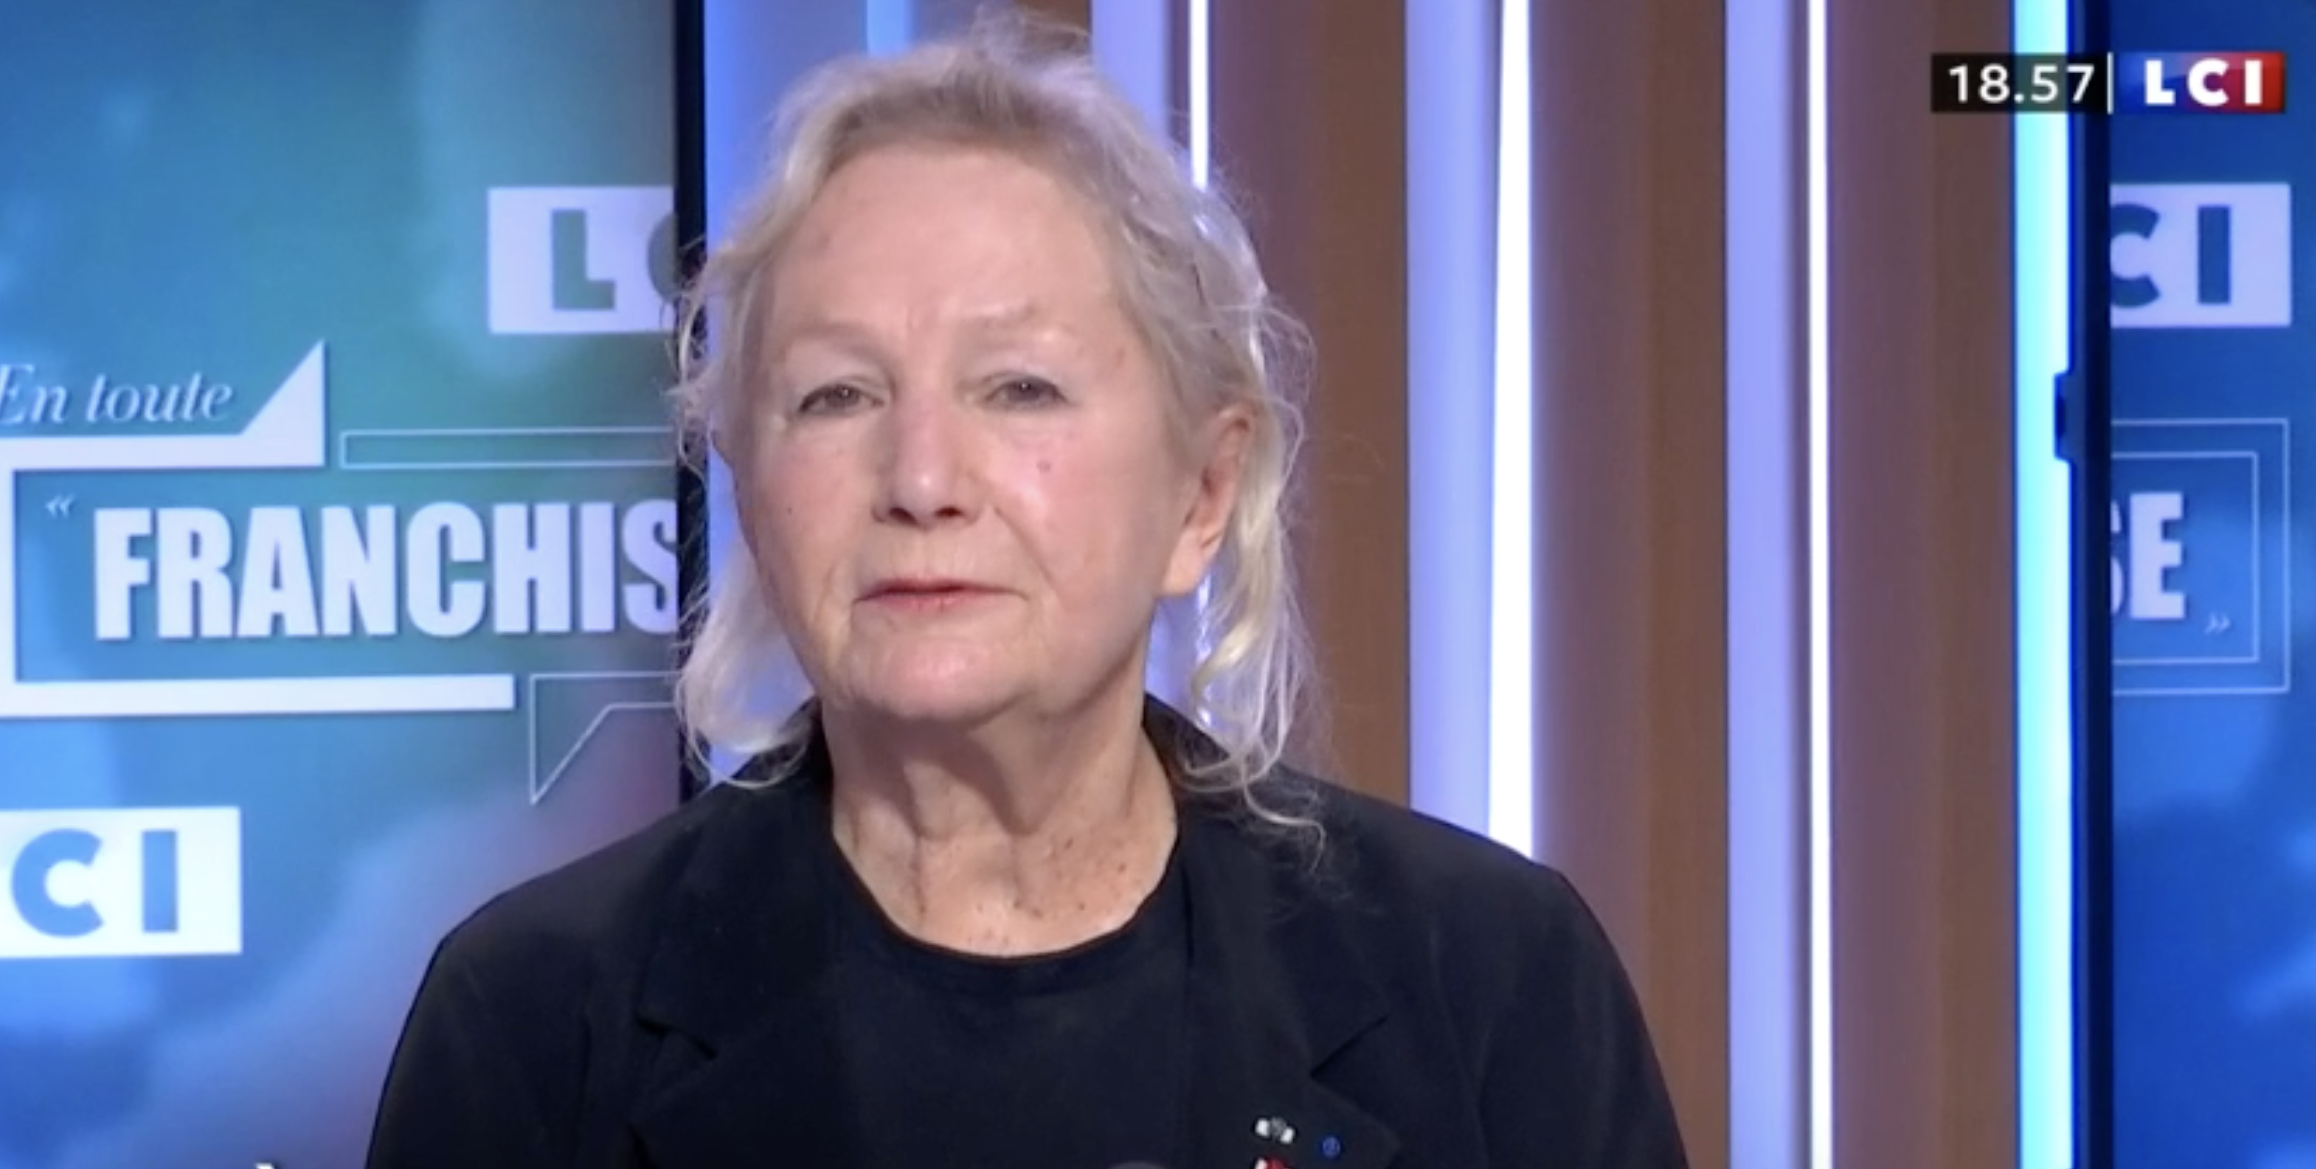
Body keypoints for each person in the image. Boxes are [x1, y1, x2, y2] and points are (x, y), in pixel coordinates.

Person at [366, 18, 1687, 1169]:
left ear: (1202, 494)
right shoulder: (535, 1024)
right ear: (749, 488)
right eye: (837, 396)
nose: (922, 480)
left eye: (1019, 388)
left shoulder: (1492, 984)